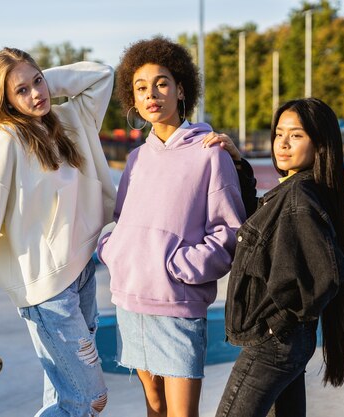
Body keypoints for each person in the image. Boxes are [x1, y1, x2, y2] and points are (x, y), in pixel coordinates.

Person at [0, 47, 116, 416]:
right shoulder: (4, 142)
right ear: (4, 99)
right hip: (48, 293)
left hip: (81, 275)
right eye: (21, 90)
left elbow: (101, 75)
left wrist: (39, 80)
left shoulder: (68, 119)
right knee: (88, 398)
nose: (37, 94)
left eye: (38, 81)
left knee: (64, 395)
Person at [96, 37, 247, 417]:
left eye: (162, 83)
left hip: (178, 303)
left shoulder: (210, 153)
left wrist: (180, 267)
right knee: (154, 407)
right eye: (141, 88)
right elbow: (123, 221)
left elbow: (229, 232)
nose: (152, 95)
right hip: (131, 302)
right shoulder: (136, 160)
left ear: (181, 89)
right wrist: (115, 252)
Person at [215, 98, 344, 417]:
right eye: (279, 134)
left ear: (320, 145)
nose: (283, 144)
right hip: (288, 342)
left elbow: (327, 275)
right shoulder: (293, 190)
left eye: (296, 135)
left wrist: (277, 322)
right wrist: (238, 163)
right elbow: (259, 222)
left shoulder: (299, 198)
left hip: (275, 343)